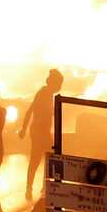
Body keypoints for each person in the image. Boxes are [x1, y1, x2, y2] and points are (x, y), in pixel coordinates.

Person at [20, 69, 63, 200]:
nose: (60, 86)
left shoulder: (49, 94)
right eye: (59, 83)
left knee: (49, 158)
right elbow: (30, 111)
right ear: (54, 83)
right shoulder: (43, 93)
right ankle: (29, 188)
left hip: (43, 131)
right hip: (38, 131)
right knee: (36, 159)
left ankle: (43, 186)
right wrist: (23, 128)